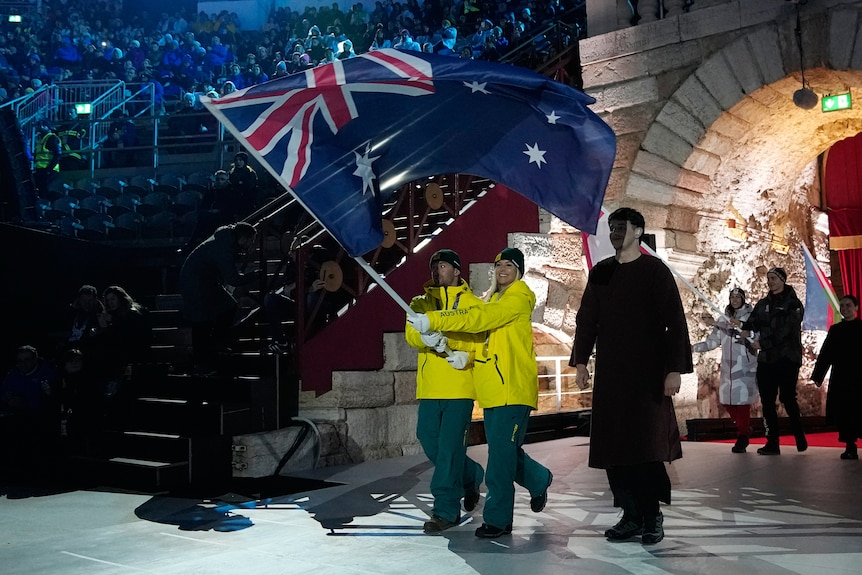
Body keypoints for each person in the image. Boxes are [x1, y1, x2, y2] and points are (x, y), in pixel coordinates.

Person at [408, 247, 553, 539]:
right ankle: (538, 479)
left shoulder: (517, 298)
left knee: (499, 458)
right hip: (491, 390)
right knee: (503, 452)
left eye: (510, 265)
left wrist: (435, 322)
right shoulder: (491, 300)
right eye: (498, 264)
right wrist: (468, 357)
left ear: (520, 272)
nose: (502, 269)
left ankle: (497, 520)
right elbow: (483, 338)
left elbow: (479, 321)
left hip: (510, 388)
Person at [571, 207, 692, 545]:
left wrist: (673, 369)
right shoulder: (602, 273)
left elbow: (674, 323)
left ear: (638, 231)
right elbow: (587, 320)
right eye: (611, 227)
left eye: (621, 227)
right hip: (611, 376)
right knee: (614, 447)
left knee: (645, 447)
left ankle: (652, 514)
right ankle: (630, 514)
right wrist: (581, 361)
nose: (614, 233)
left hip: (648, 376)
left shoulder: (655, 271)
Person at [404, 249, 485, 534]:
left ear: (457, 270)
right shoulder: (420, 302)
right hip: (430, 388)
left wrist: (467, 356)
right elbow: (411, 333)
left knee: (450, 449)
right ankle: (471, 474)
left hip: (459, 387)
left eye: (442, 265)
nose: (437, 270)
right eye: (434, 266)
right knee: (427, 438)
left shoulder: (472, 303)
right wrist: (426, 337)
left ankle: (445, 510)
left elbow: (478, 337)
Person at [741, 267, 807, 455]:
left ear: (782, 280)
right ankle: (772, 442)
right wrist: (743, 326)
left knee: (787, 397)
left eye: (773, 278)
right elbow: (753, 322)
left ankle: (799, 433)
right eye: (768, 278)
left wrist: (763, 343)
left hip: (787, 358)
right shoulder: (762, 304)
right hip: (767, 360)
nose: (770, 282)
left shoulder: (793, 304)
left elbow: (786, 332)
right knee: (767, 400)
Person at [178, 222, 257, 372]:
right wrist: (254, 275)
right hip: (198, 283)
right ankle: (204, 359)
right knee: (202, 322)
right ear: (243, 237)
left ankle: (212, 350)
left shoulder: (223, 241)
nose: (251, 244)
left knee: (222, 310)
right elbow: (233, 279)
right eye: (250, 240)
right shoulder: (224, 247)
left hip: (201, 281)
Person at [692, 287, 759, 453]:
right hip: (728, 368)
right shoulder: (723, 319)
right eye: (732, 297)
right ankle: (745, 428)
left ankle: (742, 436)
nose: (735, 300)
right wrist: (694, 348)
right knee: (727, 400)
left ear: (743, 299)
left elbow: (756, 336)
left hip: (744, 367)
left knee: (742, 402)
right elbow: (713, 341)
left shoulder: (751, 316)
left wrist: (746, 332)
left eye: (738, 297)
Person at [811, 294, 862, 460]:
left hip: (860, 377)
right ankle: (850, 446)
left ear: (856, 308)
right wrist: (818, 375)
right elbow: (826, 354)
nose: (845, 309)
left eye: (848, 305)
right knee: (845, 412)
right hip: (842, 377)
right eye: (842, 306)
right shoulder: (836, 330)